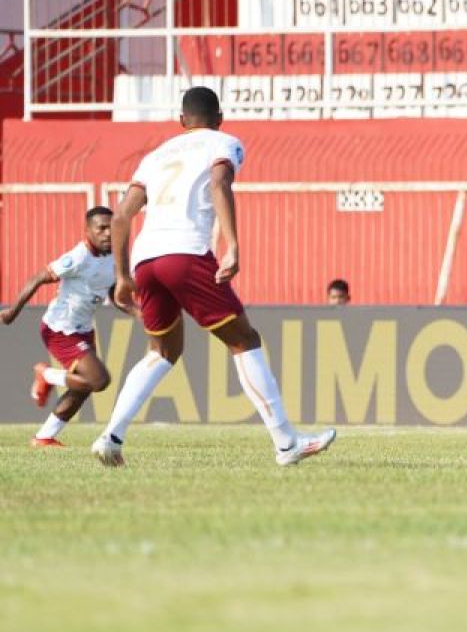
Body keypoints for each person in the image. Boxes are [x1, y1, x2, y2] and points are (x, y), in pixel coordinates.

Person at [92, 86, 336, 467]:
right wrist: (233, 246)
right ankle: (287, 442)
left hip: (145, 260)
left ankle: (111, 436)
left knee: (162, 351)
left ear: (181, 121)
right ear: (219, 118)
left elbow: (122, 216)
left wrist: (122, 277)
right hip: (185, 253)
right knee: (244, 340)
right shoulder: (224, 142)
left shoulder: (154, 156)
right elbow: (220, 183)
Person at [0, 206, 131, 447]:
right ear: (87, 231)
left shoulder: (114, 256)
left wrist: (137, 312)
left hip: (82, 329)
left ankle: (44, 437)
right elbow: (38, 278)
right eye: (101, 228)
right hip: (60, 329)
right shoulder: (78, 257)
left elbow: (113, 291)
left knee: (83, 388)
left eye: (111, 228)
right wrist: (12, 312)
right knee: (98, 380)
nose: (107, 234)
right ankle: (46, 375)